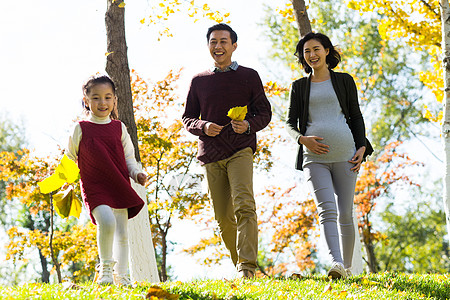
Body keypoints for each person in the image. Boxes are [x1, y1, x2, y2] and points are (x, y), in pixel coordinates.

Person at [182, 23, 272, 279]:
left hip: (240, 148)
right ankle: (242, 266)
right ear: (208, 46)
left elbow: (264, 113)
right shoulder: (199, 81)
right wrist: (204, 125)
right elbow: (188, 118)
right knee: (223, 217)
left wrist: (248, 125)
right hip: (210, 154)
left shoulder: (249, 76)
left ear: (234, 45)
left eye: (223, 41)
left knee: (244, 205)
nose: (218, 46)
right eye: (213, 42)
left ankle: (247, 268)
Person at [286, 32, 372, 279]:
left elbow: (356, 116)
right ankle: (336, 263)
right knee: (327, 210)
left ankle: (346, 269)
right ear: (303, 57)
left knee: (346, 212)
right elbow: (290, 123)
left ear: (326, 51)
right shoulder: (299, 87)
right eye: (306, 52)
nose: (311, 55)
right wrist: (302, 139)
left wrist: (362, 148)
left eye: (316, 49)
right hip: (315, 159)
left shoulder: (344, 80)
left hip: (346, 154)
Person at [66, 75, 146, 286]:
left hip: (118, 183)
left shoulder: (119, 128)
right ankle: (106, 271)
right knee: (107, 223)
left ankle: (122, 276)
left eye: (107, 97)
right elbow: (69, 158)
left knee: (122, 232)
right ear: (86, 100)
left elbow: (129, 157)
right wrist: (65, 181)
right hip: (94, 187)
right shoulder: (80, 128)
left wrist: (137, 173)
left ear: (114, 100)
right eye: (96, 98)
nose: (102, 103)